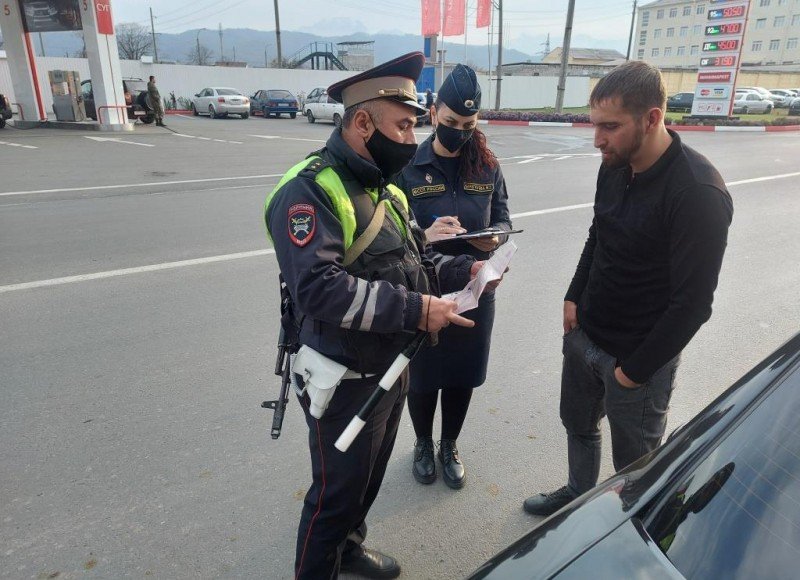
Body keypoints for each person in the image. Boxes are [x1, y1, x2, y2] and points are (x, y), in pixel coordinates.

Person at [264, 52, 493, 580]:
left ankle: (349, 549)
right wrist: (418, 310)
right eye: (404, 125)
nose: (412, 139)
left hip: (391, 370)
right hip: (342, 378)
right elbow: (317, 288)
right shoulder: (310, 190)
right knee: (332, 497)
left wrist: (470, 273)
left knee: (366, 480)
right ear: (362, 122)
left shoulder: (385, 189)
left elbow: (416, 259)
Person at [522, 61, 733, 517]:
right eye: (595, 125)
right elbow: (599, 234)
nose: (597, 139)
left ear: (652, 118)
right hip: (585, 335)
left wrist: (631, 373)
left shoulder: (697, 192)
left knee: (636, 467)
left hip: (638, 359)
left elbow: (693, 305)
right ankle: (578, 496)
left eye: (610, 127)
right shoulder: (614, 165)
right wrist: (573, 295)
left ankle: (635, 527)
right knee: (577, 425)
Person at [395, 64, 511, 489]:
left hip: (475, 287)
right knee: (423, 377)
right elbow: (389, 236)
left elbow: (502, 218)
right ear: (433, 114)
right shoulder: (407, 166)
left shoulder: (486, 165)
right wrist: (423, 235)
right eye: (450, 123)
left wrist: (494, 239)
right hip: (422, 290)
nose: (458, 132)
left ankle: (450, 444)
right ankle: (423, 443)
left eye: (468, 125)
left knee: (463, 373)